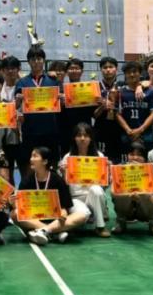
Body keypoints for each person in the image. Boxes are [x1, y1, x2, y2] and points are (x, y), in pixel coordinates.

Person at [17, 147, 89, 245]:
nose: (31, 159)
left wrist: (63, 213)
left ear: (45, 161)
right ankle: (55, 232)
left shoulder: (58, 180)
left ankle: (44, 231)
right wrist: (13, 203)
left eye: (35, 156)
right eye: (31, 156)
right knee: (14, 214)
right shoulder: (26, 181)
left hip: (55, 219)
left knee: (81, 216)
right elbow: (21, 207)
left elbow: (64, 208)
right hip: (34, 219)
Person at [14, 47, 61, 177]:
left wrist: (61, 98)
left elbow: (61, 104)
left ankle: (50, 187)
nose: (36, 62)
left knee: (51, 165)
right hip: (30, 131)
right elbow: (16, 106)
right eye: (33, 59)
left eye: (39, 59)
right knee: (31, 166)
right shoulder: (22, 82)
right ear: (28, 62)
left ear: (44, 60)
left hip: (50, 130)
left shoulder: (53, 81)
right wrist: (18, 99)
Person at [58, 123, 111, 238]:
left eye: (86, 135)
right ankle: (81, 219)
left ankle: (100, 227)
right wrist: (63, 173)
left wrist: (109, 172)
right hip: (75, 199)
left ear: (91, 138)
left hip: (94, 198)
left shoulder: (99, 156)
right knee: (83, 214)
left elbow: (105, 186)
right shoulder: (67, 158)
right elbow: (63, 187)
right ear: (74, 138)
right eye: (79, 135)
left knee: (96, 189)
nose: (82, 138)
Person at [110, 142, 153, 235]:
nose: (135, 157)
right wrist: (126, 192)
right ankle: (120, 223)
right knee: (119, 191)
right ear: (127, 155)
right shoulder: (119, 169)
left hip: (144, 210)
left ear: (145, 158)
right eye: (132, 154)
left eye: (139, 155)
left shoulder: (150, 171)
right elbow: (112, 193)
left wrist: (141, 195)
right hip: (127, 209)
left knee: (148, 194)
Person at [117, 61, 153, 151]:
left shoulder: (150, 92)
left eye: (135, 71)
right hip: (127, 134)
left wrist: (141, 129)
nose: (132, 74)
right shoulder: (120, 92)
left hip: (146, 134)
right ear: (125, 74)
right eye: (128, 72)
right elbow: (117, 114)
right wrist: (128, 129)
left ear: (140, 73)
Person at [57, 58, 93, 156]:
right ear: (67, 72)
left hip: (84, 129)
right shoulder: (60, 89)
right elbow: (55, 110)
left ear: (82, 71)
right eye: (71, 68)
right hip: (65, 130)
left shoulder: (89, 89)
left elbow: (93, 113)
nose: (74, 71)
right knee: (66, 157)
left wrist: (97, 101)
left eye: (77, 68)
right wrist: (61, 103)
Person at [93, 56, 122, 165]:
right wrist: (103, 106)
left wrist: (139, 85)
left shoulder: (123, 85)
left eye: (111, 67)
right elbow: (94, 115)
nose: (108, 70)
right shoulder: (95, 87)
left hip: (119, 128)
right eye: (105, 67)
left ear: (116, 69)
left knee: (118, 160)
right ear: (101, 70)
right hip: (101, 128)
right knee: (102, 160)